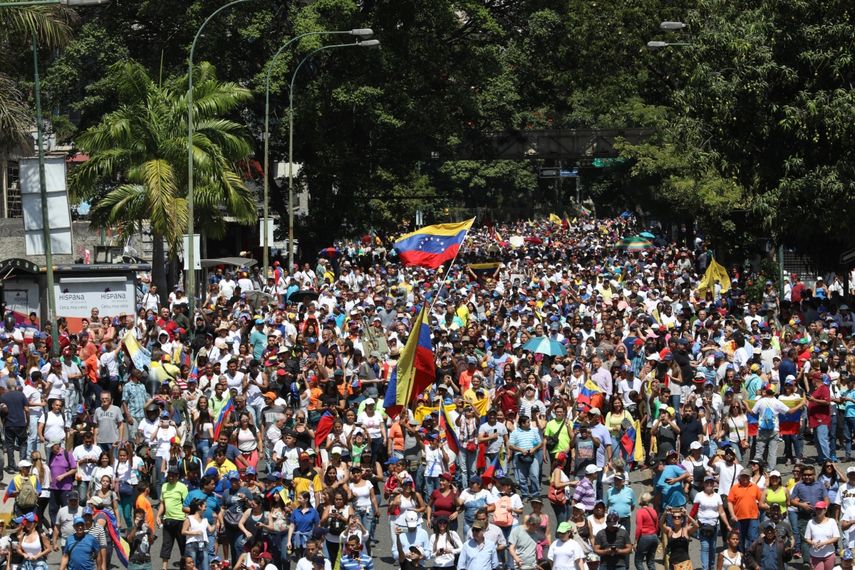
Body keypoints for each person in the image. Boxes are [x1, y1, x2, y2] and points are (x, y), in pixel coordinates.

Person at [693, 477, 730, 570]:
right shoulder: (699, 495)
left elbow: (721, 512)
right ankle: (705, 568)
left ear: (714, 484)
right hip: (702, 525)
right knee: (705, 547)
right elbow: (693, 510)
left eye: (711, 482)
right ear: (704, 484)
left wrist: (727, 524)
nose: (709, 484)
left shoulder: (717, 496)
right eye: (707, 482)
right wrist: (689, 524)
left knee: (712, 548)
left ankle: (711, 566)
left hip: (714, 525)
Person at [156, 466, 188, 570]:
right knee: (166, 544)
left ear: (177, 476)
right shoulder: (164, 486)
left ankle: (184, 566)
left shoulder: (182, 487)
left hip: (180, 520)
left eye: (173, 476)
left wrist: (187, 518)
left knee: (183, 545)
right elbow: (162, 503)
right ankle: (164, 567)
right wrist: (158, 515)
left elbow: (186, 504)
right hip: (168, 519)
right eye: (169, 475)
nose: (170, 477)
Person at [727, 470, 766, 553]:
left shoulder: (754, 487)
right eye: (743, 476)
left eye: (747, 476)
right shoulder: (735, 488)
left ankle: (751, 558)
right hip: (739, 518)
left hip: (753, 517)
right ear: (740, 477)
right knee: (739, 539)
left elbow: (761, 499)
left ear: (749, 477)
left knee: (753, 538)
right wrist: (732, 515)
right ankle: (741, 558)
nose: (745, 478)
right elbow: (730, 502)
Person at [804, 501, 839, 570]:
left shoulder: (832, 521)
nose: (818, 511)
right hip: (815, 555)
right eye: (817, 509)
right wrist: (813, 543)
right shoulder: (810, 522)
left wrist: (823, 543)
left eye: (820, 509)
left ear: (825, 510)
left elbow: (836, 537)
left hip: (829, 554)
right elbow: (807, 538)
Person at [634, 493, 658, 570]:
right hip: (654, 537)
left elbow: (639, 528)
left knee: (638, 561)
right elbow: (657, 526)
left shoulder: (640, 512)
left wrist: (635, 541)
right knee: (650, 562)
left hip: (645, 537)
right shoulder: (653, 511)